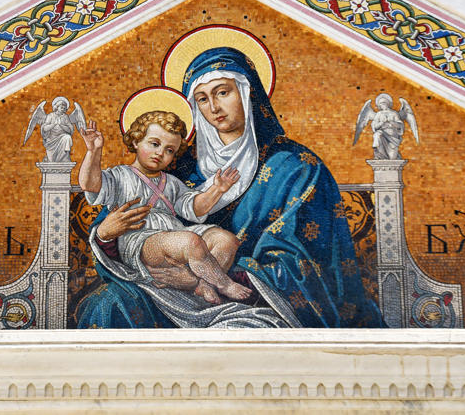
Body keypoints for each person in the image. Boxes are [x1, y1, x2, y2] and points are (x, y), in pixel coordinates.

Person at [75, 32, 383, 328]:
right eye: (202, 98)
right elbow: (118, 222)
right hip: (163, 289)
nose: (214, 108)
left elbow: (308, 267)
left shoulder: (295, 167)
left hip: (254, 298)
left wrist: (200, 279)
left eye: (223, 92)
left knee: (244, 327)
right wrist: (105, 235)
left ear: (247, 93)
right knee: (107, 305)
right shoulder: (177, 163)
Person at [78, 110, 251, 304]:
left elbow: (194, 208)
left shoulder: (172, 182)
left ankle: (204, 284)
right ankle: (223, 284)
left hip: (175, 235)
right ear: (136, 141)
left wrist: (217, 190)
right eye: (154, 144)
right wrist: (93, 151)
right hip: (140, 240)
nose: (160, 153)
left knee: (227, 240)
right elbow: (90, 185)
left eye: (169, 150)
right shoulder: (120, 175)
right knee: (191, 242)